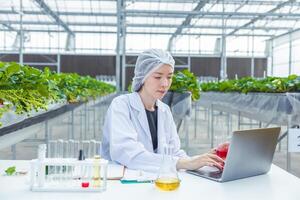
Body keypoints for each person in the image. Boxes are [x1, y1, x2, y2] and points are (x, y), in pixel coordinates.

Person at [102, 49, 224, 172]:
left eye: (169, 77)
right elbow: (127, 153)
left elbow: (174, 153)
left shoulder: (164, 110)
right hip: (121, 182)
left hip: (154, 180)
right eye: (158, 77)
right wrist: (185, 163)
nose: (165, 83)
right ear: (143, 77)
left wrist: (205, 159)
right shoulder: (121, 105)